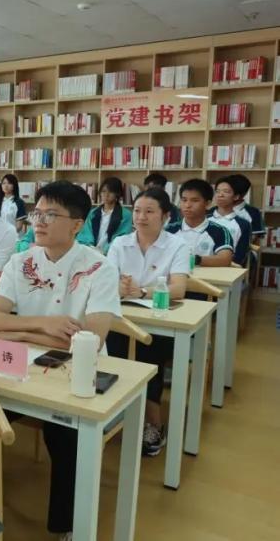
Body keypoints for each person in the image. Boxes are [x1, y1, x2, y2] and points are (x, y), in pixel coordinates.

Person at [0, 181, 121, 538]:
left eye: (51, 215)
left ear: (77, 224)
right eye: (37, 213)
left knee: (67, 433)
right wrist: (44, 325)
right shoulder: (21, 261)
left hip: (77, 372)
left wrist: (17, 332)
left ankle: (67, 526)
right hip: (23, 366)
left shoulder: (98, 267)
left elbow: (91, 340)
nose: (39, 222)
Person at [106, 188, 190, 456]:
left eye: (149, 211)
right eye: (137, 211)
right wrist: (118, 286)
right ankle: (116, 409)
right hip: (123, 316)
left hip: (158, 320)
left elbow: (179, 288)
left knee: (148, 351)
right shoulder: (120, 243)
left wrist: (142, 292)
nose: (141, 217)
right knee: (109, 343)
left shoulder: (177, 245)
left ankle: (153, 422)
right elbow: (106, 280)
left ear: (165, 216)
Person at [165, 179, 234, 267]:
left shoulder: (220, 231)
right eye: (184, 200)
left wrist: (194, 259)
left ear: (208, 204)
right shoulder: (169, 230)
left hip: (206, 275)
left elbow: (225, 259)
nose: (187, 205)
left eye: (194, 200)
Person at [77, 176, 132, 253]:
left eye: (111, 192)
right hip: (92, 251)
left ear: (117, 194)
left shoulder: (126, 214)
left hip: (113, 253)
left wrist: (105, 250)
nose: (106, 195)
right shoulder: (93, 213)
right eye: (103, 191)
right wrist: (91, 247)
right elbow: (85, 233)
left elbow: (122, 236)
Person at [209, 176, 252, 265]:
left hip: (229, 267)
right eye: (217, 191)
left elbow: (240, 256)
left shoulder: (243, 224)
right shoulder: (204, 219)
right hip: (201, 265)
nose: (220, 195)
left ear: (236, 196)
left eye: (226, 192)